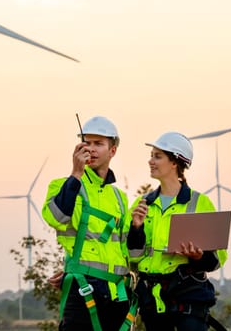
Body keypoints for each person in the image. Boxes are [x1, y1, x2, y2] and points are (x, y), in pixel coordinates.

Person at [125, 131, 227, 331]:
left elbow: (217, 259)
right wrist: (136, 228)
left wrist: (199, 256)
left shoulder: (199, 203)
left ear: (175, 162)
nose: (150, 161)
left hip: (188, 295)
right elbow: (131, 256)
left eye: (157, 156)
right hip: (152, 299)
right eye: (151, 155)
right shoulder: (142, 203)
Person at [42, 115, 135, 331]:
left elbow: (127, 249)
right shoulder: (63, 186)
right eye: (88, 142)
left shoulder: (120, 198)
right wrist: (76, 173)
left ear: (112, 151)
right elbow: (56, 218)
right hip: (83, 290)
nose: (91, 149)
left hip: (117, 293)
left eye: (98, 143)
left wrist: (138, 227)